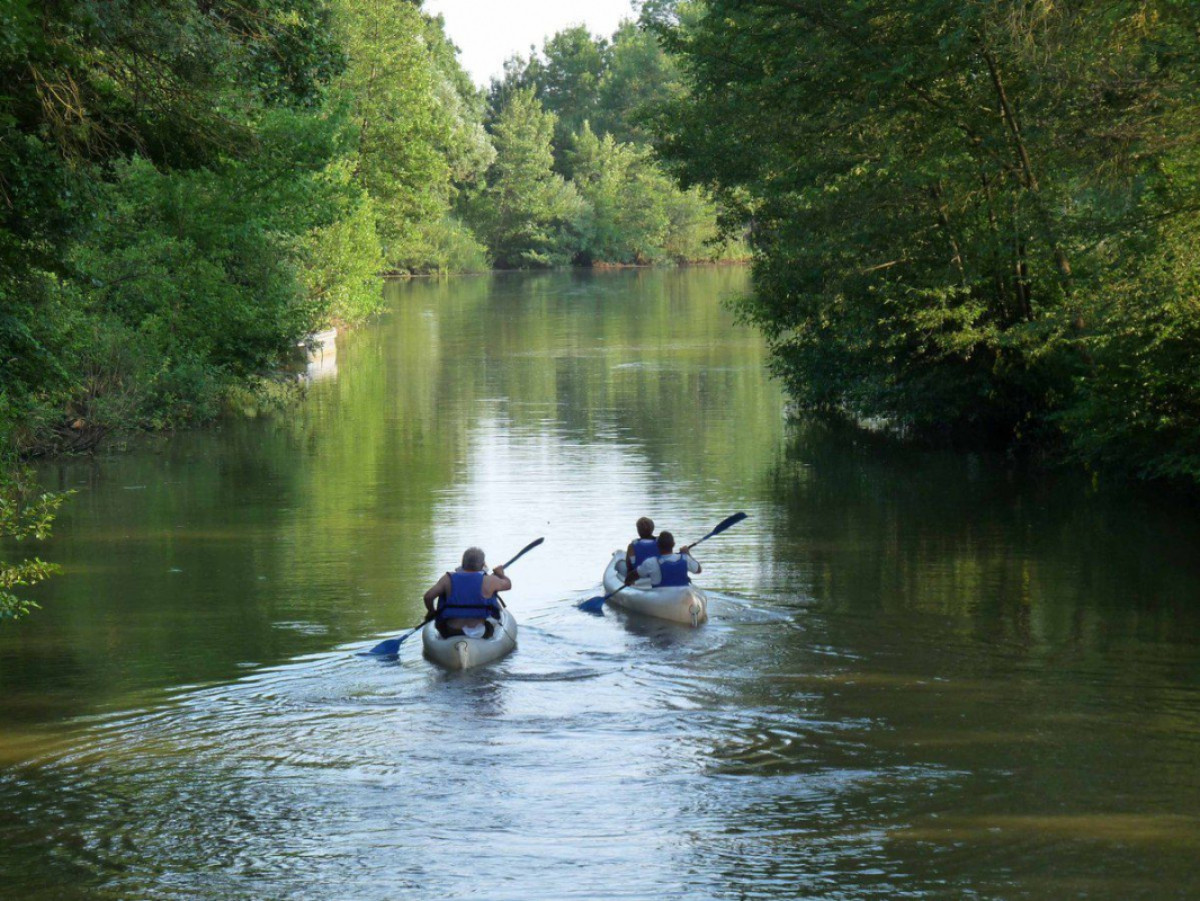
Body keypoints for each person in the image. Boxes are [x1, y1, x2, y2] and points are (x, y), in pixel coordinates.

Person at [423, 547, 511, 639]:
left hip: (450, 631)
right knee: (493, 620)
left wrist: (431, 611)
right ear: (483, 565)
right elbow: (508, 585)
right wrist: (501, 574)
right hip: (479, 632)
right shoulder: (490, 580)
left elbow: (428, 597)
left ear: (463, 563)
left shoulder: (447, 578)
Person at [625, 531, 700, 587]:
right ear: (673, 544)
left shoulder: (651, 562)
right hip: (683, 595)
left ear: (657, 545)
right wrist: (687, 553)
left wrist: (627, 581)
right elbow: (698, 570)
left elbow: (634, 575)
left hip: (661, 596)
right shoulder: (685, 558)